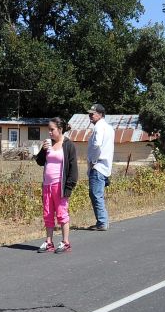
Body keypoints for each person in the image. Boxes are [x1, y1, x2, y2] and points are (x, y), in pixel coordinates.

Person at [34, 116, 79, 254]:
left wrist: (68, 188)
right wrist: (43, 149)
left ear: (60, 129)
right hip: (47, 185)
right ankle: (49, 242)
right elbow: (40, 162)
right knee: (47, 214)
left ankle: (65, 242)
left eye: (52, 129)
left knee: (61, 214)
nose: (49, 132)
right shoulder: (49, 144)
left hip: (60, 185)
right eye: (49, 129)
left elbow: (73, 169)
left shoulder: (68, 145)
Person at [85, 103, 114, 231]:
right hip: (104, 166)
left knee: (96, 194)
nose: (90, 115)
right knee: (97, 194)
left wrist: (93, 161)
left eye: (93, 113)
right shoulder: (109, 128)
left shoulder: (99, 127)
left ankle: (102, 222)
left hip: (98, 166)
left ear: (100, 114)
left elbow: (97, 144)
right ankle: (102, 221)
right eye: (90, 113)